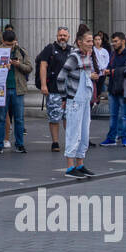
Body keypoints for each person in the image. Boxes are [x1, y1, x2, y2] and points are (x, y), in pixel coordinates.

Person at [58, 27, 99, 178]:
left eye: (92, 41)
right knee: (73, 133)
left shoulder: (87, 56)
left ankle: (80, 164)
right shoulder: (74, 57)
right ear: (80, 42)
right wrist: (65, 97)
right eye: (88, 41)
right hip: (75, 99)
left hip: (85, 99)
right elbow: (61, 77)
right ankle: (70, 167)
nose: (91, 44)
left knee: (84, 133)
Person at [35, 27, 73, 152]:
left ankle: (70, 141)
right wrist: (43, 86)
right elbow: (43, 66)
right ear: (57, 36)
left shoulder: (72, 50)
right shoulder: (50, 49)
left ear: (68, 37)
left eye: (65, 35)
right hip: (53, 89)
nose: (62, 37)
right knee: (54, 117)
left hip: (69, 90)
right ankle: (55, 142)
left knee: (69, 117)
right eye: (60, 35)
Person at [0, 29, 32, 154]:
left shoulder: (21, 51)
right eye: (7, 45)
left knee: (19, 118)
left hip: (18, 88)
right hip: (2, 88)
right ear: (3, 42)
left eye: (12, 45)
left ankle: (20, 144)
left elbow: (29, 68)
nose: (10, 47)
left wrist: (18, 65)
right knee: (1, 117)